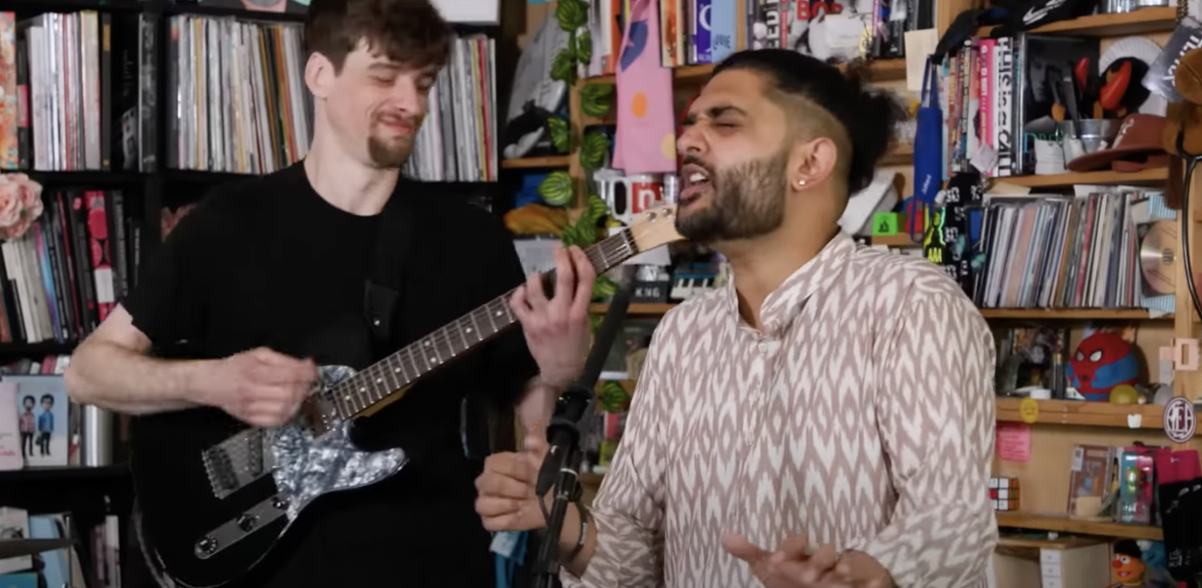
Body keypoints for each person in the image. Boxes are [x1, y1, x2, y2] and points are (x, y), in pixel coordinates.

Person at [63, 0, 595, 585]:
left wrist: (555, 378)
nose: (412, 104)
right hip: (271, 568)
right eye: (385, 78)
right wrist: (212, 381)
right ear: (320, 74)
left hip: (433, 564)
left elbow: (526, 386)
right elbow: (88, 373)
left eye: (423, 83)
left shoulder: (472, 239)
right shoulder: (228, 224)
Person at [474, 49, 997, 588]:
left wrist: (854, 578)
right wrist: (562, 523)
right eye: (690, 123)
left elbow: (952, 519)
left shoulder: (909, 303)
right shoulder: (682, 334)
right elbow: (636, 554)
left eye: (724, 122)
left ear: (809, 164)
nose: (686, 141)